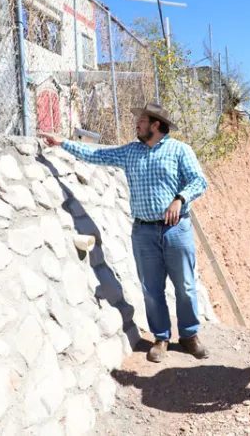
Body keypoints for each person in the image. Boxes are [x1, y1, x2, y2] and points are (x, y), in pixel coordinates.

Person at [38, 103, 209, 363]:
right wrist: (63, 143)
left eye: (141, 120)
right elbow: (96, 156)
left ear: (155, 124)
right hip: (143, 232)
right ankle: (161, 338)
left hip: (177, 230)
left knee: (185, 286)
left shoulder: (180, 150)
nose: (136, 124)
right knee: (152, 289)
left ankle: (189, 336)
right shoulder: (130, 152)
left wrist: (180, 199)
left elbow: (199, 181)